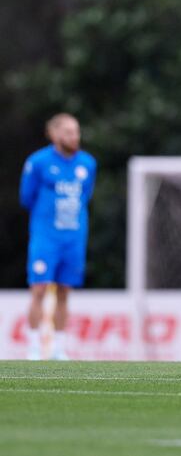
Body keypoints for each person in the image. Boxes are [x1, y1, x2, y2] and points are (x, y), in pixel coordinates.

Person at [20, 113, 97, 361]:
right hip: (46, 236)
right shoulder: (38, 162)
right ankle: (33, 347)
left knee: (64, 291)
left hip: (74, 237)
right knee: (39, 289)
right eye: (68, 132)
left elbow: (86, 196)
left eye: (76, 131)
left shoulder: (87, 163)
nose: (74, 136)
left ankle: (59, 349)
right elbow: (26, 197)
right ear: (53, 134)